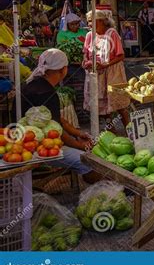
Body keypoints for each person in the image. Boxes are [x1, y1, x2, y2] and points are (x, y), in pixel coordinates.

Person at [19, 49, 99, 182]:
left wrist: (77, 133)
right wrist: (83, 146)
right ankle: (102, 189)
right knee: (90, 163)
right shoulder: (46, 94)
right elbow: (56, 132)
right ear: (63, 70)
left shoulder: (33, 84)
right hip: (38, 147)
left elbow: (55, 120)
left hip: (30, 140)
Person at [83, 10, 130, 127]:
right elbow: (85, 54)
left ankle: (130, 130)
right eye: (88, 21)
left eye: (91, 21)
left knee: (119, 104)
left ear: (101, 21)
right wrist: (85, 62)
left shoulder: (112, 33)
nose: (89, 24)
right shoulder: (89, 35)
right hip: (96, 74)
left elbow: (121, 55)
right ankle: (111, 129)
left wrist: (106, 64)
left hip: (113, 74)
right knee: (102, 107)